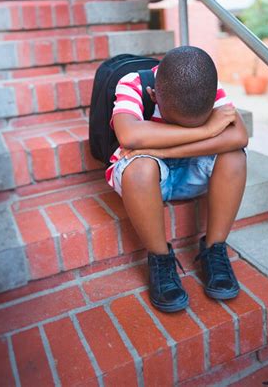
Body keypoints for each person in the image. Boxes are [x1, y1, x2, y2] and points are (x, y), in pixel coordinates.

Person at [106, 46, 248, 312]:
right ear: (153, 96)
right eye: (179, 123)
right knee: (140, 169)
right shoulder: (134, 83)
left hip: (191, 172)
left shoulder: (204, 85)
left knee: (235, 155)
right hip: (148, 179)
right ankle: (160, 259)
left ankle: (214, 248)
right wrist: (208, 129)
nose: (189, 129)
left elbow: (239, 136)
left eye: (199, 123)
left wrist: (162, 148)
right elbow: (129, 136)